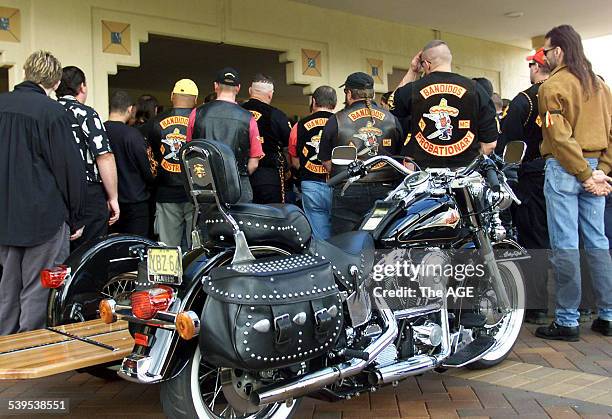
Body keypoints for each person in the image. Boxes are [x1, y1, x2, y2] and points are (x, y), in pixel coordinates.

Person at [534, 24, 612, 341]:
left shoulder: (553, 86)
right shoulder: (602, 87)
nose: (544, 56)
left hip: (565, 169)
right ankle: (607, 315)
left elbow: (559, 136)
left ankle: (567, 321)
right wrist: (600, 171)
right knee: (598, 242)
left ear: (560, 52)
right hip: (595, 168)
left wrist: (583, 173)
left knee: (565, 244)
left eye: (547, 50)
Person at [0, 51, 86, 334]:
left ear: (26, 72)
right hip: (43, 216)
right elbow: (69, 169)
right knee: (39, 290)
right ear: (56, 80)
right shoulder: (53, 113)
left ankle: (6, 355)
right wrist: (77, 216)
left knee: (7, 290)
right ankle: (30, 353)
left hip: (4, 215)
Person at [498, 47, 551, 324]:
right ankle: (580, 305)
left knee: (534, 240)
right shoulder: (569, 95)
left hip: (532, 178)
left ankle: (537, 304)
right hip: (570, 173)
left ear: (535, 67)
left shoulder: (524, 100)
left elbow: (506, 145)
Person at [391, 40, 498, 169]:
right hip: (464, 175)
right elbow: (490, 145)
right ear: (449, 60)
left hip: (423, 174)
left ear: (426, 64)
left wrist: (413, 71)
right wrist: (470, 165)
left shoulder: (413, 89)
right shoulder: (476, 89)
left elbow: (392, 105)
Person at [318, 72, 403, 235]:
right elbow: (400, 157)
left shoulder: (336, 120)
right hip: (385, 192)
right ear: (372, 94)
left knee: (345, 243)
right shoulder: (392, 119)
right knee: (380, 239)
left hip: (348, 190)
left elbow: (327, 162)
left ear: (349, 93)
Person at [57, 66, 119, 251]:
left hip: (55, 192)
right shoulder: (86, 113)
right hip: (87, 192)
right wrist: (113, 196)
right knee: (90, 254)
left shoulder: (48, 112)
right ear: (82, 87)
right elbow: (104, 156)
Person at [187, 67, 264, 202]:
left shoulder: (197, 113)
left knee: (207, 222)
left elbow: (189, 149)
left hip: (205, 184)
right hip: (238, 184)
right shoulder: (248, 117)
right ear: (238, 88)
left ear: (215, 86)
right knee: (239, 223)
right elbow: (254, 161)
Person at [143, 79, 199, 249]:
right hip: (194, 193)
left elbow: (148, 157)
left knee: (167, 249)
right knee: (196, 248)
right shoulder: (201, 121)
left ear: (172, 96)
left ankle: (167, 276)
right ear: (195, 100)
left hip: (165, 193)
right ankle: (194, 276)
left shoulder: (154, 122)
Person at [288, 86, 337, 240]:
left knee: (320, 237)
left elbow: (295, 161)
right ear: (335, 104)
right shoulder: (341, 122)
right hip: (338, 184)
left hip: (311, 184)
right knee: (342, 233)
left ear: (313, 102)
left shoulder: (298, 125)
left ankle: (325, 261)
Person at [105, 91, 156, 236]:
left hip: (107, 202)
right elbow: (149, 169)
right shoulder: (132, 135)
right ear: (130, 109)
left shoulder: (99, 132)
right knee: (136, 248)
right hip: (135, 202)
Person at [242, 74, 292, 204]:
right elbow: (290, 145)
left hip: (239, 175)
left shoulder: (237, 112)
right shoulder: (277, 115)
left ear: (250, 91)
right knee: (272, 218)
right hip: (269, 177)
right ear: (270, 94)